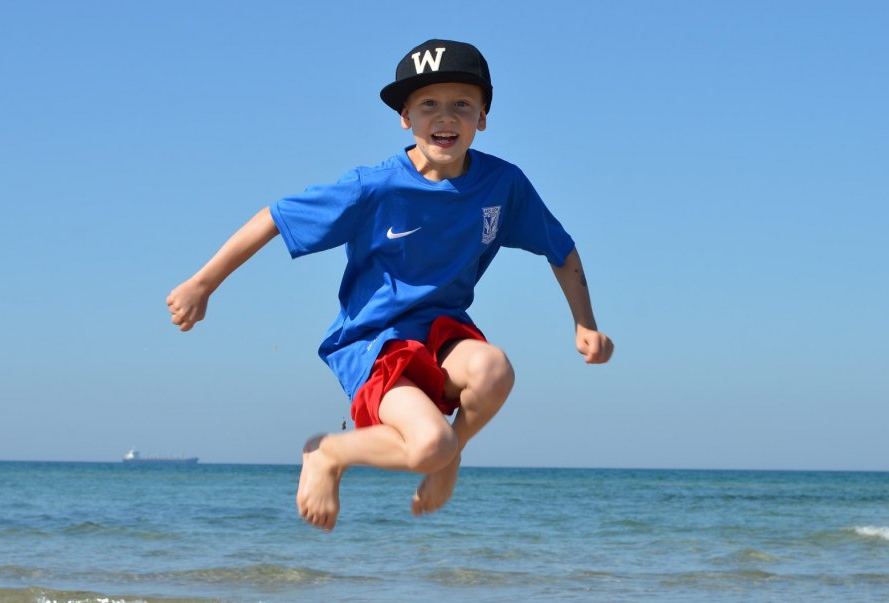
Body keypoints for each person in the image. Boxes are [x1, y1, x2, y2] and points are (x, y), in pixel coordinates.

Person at [166, 39, 613, 531]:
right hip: (374, 342)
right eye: (429, 104)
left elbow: (560, 248)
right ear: (405, 117)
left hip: (443, 333)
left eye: (462, 104)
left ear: (483, 116)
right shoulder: (373, 186)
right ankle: (328, 453)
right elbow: (276, 217)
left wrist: (585, 324)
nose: (446, 117)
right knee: (431, 444)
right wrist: (201, 284)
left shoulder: (502, 184)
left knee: (494, 369)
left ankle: (451, 456)